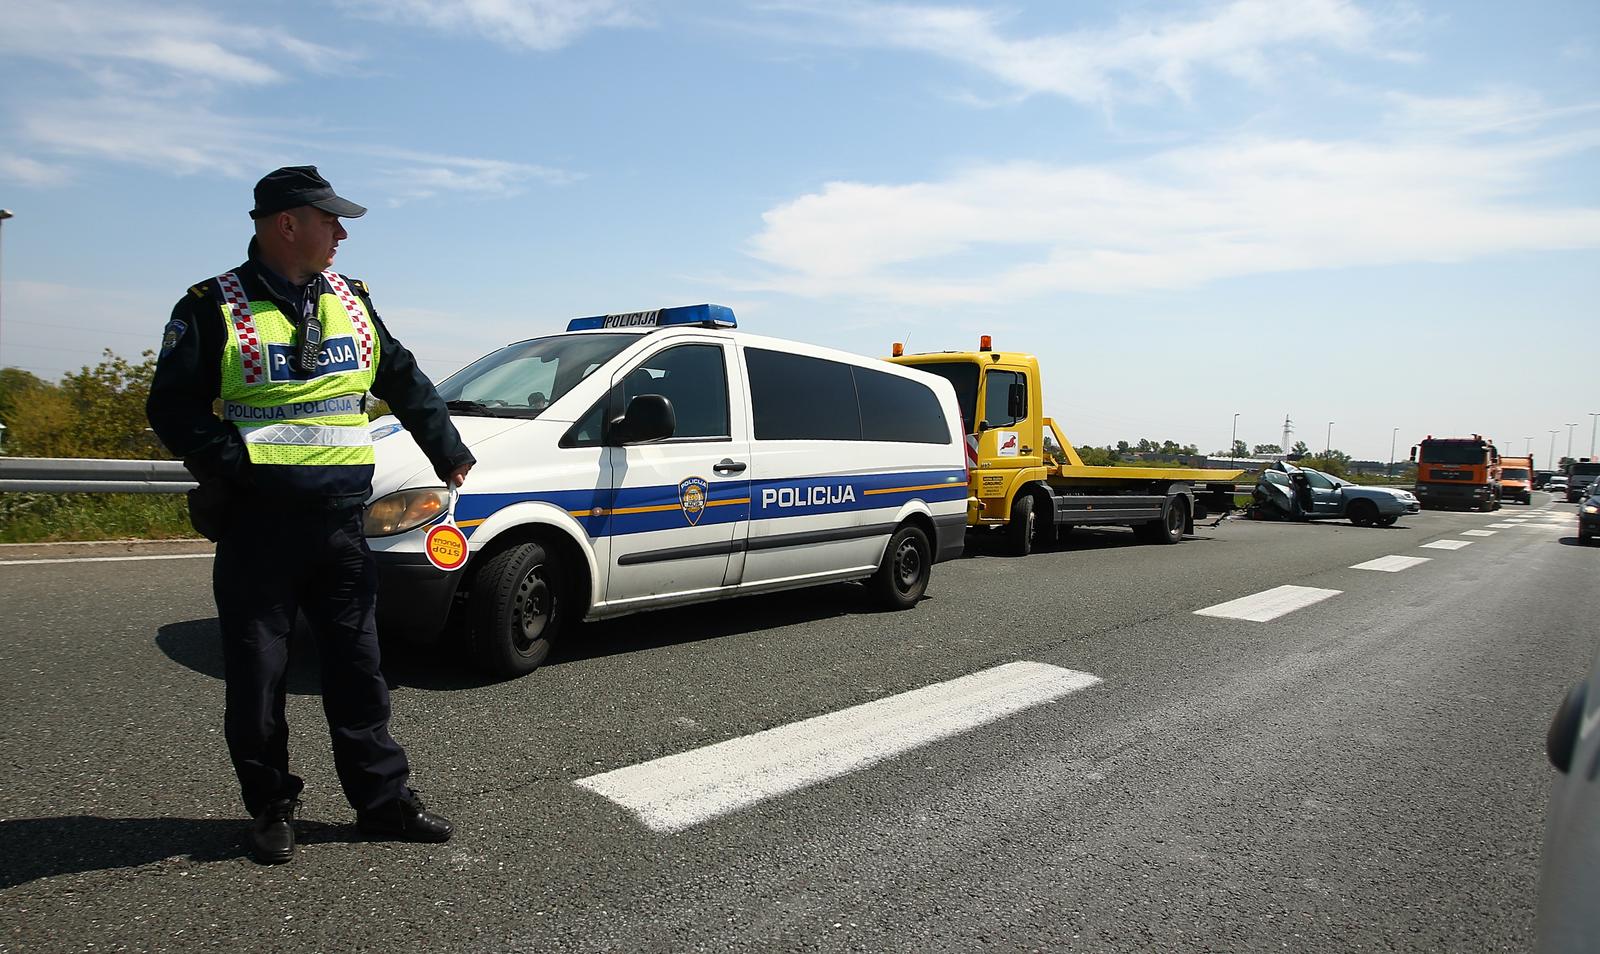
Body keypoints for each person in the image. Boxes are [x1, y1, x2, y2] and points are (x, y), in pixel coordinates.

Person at [146, 166, 475, 865]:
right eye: (330, 220)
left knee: (360, 670)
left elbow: (404, 377)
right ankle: (271, 807)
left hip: (341, 523)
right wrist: (235, 466)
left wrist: (448, 448)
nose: (342, 233)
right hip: (257, 528)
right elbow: (170, 407)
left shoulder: (352, 300)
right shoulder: (212, 305)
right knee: (258, 678)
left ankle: (383, 802)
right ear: (286, 223)